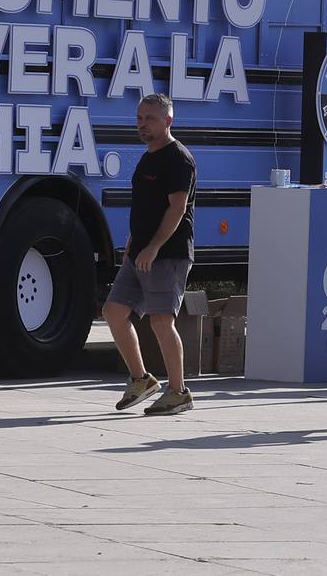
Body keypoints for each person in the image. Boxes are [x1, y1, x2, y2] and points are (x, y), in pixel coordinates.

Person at [101, 94, 200, 417]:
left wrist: (154, 247)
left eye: (150, 119)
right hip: (139, 253)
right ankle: (141, 380)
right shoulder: (147, 159)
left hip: (167, 254)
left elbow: (177, 209)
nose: (142, 124)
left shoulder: (178, 159)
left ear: (168, 121)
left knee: (161, 321)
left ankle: (178, 391)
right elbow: (144, 208)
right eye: (140, 118)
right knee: (114, 312)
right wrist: (134, 243)